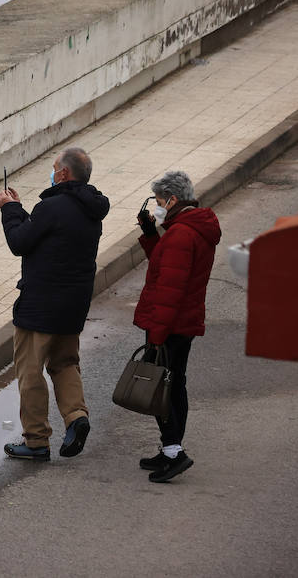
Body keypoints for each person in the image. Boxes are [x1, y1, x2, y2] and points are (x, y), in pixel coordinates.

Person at [0, 146, 110, 461]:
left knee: (30, 372)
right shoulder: (91, 210)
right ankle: (76, 417)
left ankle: (36, 441)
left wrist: (10, 209)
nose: (52, 171)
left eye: (54, 167)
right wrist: (20, 209)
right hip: (73, 304)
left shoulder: (52, 208)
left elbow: (20, 242)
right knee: (65, 364)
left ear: (63, 174)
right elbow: (46, 237)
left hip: (40, 306)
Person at [132, 170, 220, 483]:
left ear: (172, 199)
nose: (156, 206)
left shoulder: (182, 234)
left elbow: (170, 290)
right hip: (183, 322)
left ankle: (174, 453)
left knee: (160, 386)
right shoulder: (189, 227)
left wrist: (156, 335)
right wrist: (150, 233)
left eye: (158, 201)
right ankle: (171, 447)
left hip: (170, 325)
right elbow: (165, 262)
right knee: (174, 382)